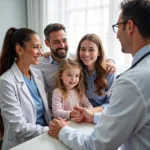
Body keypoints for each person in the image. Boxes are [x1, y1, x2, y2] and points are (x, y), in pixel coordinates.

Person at [48, 0, 150, 150]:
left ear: (129, 27)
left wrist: (62, 131)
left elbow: (98, 145)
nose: (116, 36)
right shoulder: (142, 71)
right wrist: (93, 116)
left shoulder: (131, 81)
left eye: (117, 27)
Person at [33, 23, 116, 114]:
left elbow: (97, 56)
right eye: (56, 42)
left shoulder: (76, 60)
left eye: (64, 40)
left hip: (93, 114)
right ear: (47, 43)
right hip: (65, 114)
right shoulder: (40, 63)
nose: (62, 45)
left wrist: (111, 61)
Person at [0, 27, 51, 150]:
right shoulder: (6, 81)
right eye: (35, 47)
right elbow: (17, 126)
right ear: (19, 49)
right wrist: (50, 129)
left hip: (43, 137)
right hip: (22, 144)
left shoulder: (37, 74)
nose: (40, 52)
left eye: (40, 47)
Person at [76, 33, 115, 114]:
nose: (86, 53)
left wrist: (90, 112)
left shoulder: (109, 73)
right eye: (83, 49)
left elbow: (110, 103)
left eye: (91, 49)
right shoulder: (75, 70)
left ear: (99, 52)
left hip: (101, 117)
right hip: (79, 116)